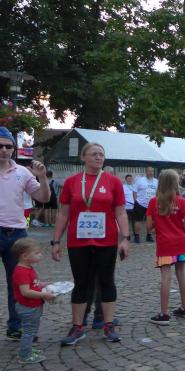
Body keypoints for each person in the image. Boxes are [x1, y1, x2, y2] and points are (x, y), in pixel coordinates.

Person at [51, 142, 129, 345]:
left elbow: (120, 212)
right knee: (81, 283)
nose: (98, 157)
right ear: (83, 157)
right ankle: (77, 326)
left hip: (106, 240)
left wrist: (125, 238)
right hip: (78, 241)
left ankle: (108, 324)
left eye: (101, 154)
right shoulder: (72, 182)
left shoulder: (113, 181)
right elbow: (63, 213)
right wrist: (56, 241)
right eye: (94, 154)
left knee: (106, 281)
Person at [0, 126, 51, 341]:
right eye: (0, 146)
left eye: (8, 146)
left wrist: (43, 178)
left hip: (17, 234)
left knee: (18, 282)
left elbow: (43, 197)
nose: (4, 150)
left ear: (13, 148)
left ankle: (16, 326)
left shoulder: (22, 172)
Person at [146, 169, 185, 324]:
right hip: (180, 243)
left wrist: (160, 222)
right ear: (175, 183)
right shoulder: (182, 202)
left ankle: (164, 314)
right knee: (181, 273)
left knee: (165, 276)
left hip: (165, 244)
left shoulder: (154, 202)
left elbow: (148, 227)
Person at [11, 238, 55, 363]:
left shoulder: (28, 267)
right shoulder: (21, 271)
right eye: (37, 253)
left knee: (32, 330)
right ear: (25, 256)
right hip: (28, 307)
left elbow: (32, 284)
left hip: (33, 306)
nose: (40, 255)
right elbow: (26, 292)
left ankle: (28, 349)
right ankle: (25, 355)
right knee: (29, 331)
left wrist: (42, 284)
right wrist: (44, 295)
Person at [132, 167, 158, 243]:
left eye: (152, 171)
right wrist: (135, 201)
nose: (151, 173)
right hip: (140, 203)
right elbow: (134, 191)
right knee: (138, 220)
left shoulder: (156, 181)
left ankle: (149, 236)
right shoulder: (140, 180)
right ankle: (137, 236)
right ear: (146, 172)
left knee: (151, 221)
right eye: (149, 171)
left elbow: (158, 192)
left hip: (152, 204)